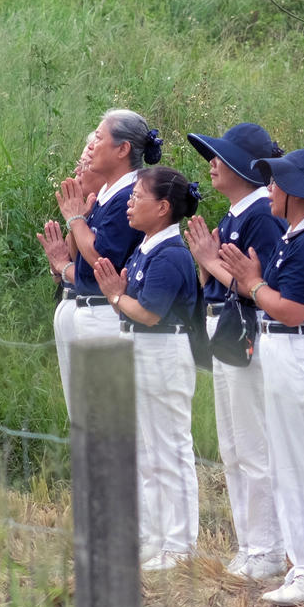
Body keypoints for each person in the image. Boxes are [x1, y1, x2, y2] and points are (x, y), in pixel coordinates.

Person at [219, 148, 304, 607]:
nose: (270, 190)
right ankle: (302, 564)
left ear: (297, 193)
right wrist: (254, 282)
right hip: (286, 352)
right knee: (288, 463)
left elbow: (291, 309)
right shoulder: (297, 236)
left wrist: (253, 283)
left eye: (276, 183)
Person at [184, 123, 288, 581]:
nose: (212, 164)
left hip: (250, 334)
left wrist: (209, 263)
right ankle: (249, 544)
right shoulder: (234, 214)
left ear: (245, 168)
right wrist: (208, 272)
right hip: (225, 332)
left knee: (253, 443)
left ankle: (268, 547)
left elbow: (258, 287)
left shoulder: (261, 215)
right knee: (231, 444)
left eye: (220, 157)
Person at [91, 166, 203, 571]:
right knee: (148, 451)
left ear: (163, 208)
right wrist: (120, 297)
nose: (131, 203)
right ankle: (156, 537)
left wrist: (116, 297)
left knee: (170, 448)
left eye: (139, 196)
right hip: (142, 350)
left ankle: (180, 544)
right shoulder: (146, 247)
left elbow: (150, 313)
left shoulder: (171, 254)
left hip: (163, 352)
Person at [60, 109, 164, 343]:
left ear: (122, 149)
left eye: (98, 138)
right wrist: (77, 226)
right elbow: (81, 260)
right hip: (92, 310)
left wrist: (76, 220)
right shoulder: (109, 193)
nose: (91, 147)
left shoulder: (128, 196)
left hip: (107, 314)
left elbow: (101, 261)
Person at [37, 132, 105, 417]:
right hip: (71, 307)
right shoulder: (88, 208)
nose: (77, 173)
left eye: (85, 165)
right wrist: (59, 263)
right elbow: (64, 269)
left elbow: (91, 270)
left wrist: (63, 265)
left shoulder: (116, 207)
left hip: (95, 313)